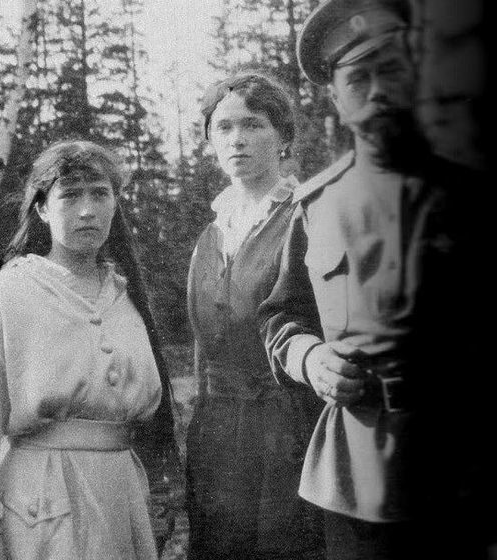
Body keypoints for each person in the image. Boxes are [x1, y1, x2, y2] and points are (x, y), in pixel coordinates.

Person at [259, 0, 490, 558]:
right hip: (356, 474)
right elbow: (282, 317)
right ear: (336, 100)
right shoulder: (315, 207)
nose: (379, 90)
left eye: (391, 69)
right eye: (358, 78)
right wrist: (312, 358)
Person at [0, 139, 182, 560]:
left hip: (121, 497)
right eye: (70, 196)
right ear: (42, 209)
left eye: (100, 194)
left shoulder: (126, 295)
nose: (87, 210)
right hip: (43, 504)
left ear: (115, 203)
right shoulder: (8, 292)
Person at [184, 72, 324, 560]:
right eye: (223, 127)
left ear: (283, 136)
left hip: (287, 430)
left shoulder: (305, 216)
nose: (237, 139)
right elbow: (204, 350)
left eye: (253, 124)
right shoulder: (211, 234)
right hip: (217, 436)